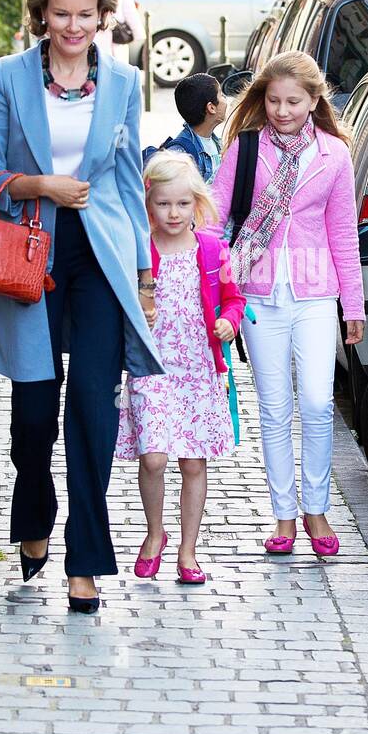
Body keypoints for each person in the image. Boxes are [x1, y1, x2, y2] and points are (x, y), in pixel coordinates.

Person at [0, 0, 164, 614]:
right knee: (31, 416)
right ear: (42, 15)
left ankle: (86, 561)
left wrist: (145, 277)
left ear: (103, 16)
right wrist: (37, 183)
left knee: (92, 410)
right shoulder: (8, 76)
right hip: (31, 256)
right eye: (61, 14)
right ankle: (33, 508)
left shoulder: (126, 85)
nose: (73, 27)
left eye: (85, 14)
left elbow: (130, 184)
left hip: (101, 257)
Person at [208, 51, 365, 556]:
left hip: (317, 293)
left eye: (293, 102)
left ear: (314, 101)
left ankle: (316, 508)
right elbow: (213, 218)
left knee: (318, 403)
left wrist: (355, 306)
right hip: (256, 293)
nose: (281, 110)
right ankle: (283, 516)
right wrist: (205, 283)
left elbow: (344, 232)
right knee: (274, 408)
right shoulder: (244, 149)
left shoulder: (334, 155)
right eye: (273, 100)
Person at [115, 152, 246, 584]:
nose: (174, 213)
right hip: (151, 368)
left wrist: (229, 320)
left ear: (196, 204)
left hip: (197, 370)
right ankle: (156, 533)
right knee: (152, 458)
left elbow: (233, 296)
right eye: (163, 204)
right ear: (147, 205)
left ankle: (188, 553)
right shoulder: (139, 251)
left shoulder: (211, 249)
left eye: (183, 204)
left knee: (193, 463)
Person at [148, 72, 227, 182]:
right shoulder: (180, 155)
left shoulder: (216, 142)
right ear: (211, 108)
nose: (226, 99)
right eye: (222, 95)